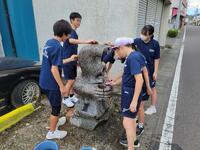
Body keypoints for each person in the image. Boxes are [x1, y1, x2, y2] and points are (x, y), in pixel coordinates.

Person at [39, 19, 78, 139]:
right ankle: (52, 132)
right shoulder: (58, 47)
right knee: (56, 108)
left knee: (54, 104)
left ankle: (54, 123)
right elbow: (54, 69)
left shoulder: (49, 42)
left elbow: (55, 62)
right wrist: (62, 87)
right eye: (68, 34)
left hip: (43, 80)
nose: (69, 36)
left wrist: (71, 59)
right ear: (63, 34)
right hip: (52, 84)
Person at [108, 37, 145, 150]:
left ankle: (131, 147)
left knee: (127, 122)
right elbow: (127, 75)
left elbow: (139, 80)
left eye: (117, 50)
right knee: (131, 121)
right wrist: (114, 82)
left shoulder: (132, 58)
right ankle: (134, 142)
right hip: (131, 92)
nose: (117, 53)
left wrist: (133, 101)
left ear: (122, 47)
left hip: (130, 94)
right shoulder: (136, 55)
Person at [62, 12, 97, 107]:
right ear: (71, 20)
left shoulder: (74, 32)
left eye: (80, 21)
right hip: (68, 60)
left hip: (73, 60)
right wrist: (86, 41)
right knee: (70, 81)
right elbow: (70, 41)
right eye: (77, 20)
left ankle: (71, 96)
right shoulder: (69, 32)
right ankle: (65, 98)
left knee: (73, 80)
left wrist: (77, 60)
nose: (79, 23)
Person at [134, 25, 160, 115]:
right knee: (139, 86)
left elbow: (156, 58)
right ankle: (138, 104)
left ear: (151, 35)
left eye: (145, 34)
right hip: (138, 70)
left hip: (150, 70)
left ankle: (153, 107)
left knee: (152, 87)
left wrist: (156, 71)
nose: (143, 35)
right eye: (142, 33)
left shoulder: (155, 44)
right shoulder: (137, 41)